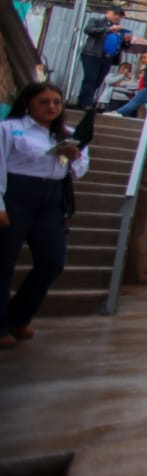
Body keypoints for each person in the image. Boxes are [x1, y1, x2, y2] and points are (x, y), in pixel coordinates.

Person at [0, 82, 89, 348]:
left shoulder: (67, 135)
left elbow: (79, 170)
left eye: (56, 102)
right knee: (3, 264)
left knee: (52, 260)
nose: (51, 107)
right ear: (29, 103)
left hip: (50, 200)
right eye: (44, 101)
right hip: (16, 194)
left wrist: (73, 157)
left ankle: (18, 316)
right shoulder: (9, 129)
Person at [75, 7, 128, 109]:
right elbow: (88, 30)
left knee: (98, 80)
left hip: (107, 58)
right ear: (107, 12)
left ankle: (86, 100)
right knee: (90, 78)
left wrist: (126, 41)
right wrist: (108, 29)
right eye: (115, 14)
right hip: (92, 54)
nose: (117, 17)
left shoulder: (118, 29)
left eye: (120, 16)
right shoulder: (97, 21)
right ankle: (86, 102)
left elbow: (121, 46)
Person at [107, 52, 147, 118]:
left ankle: (119, 112)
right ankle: (119, 112)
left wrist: (122, 83)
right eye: (142, 58)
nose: (143, 60)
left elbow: (136, 84)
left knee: (136, 101)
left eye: (145, 58)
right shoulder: (114, 74)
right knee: (137, 102)